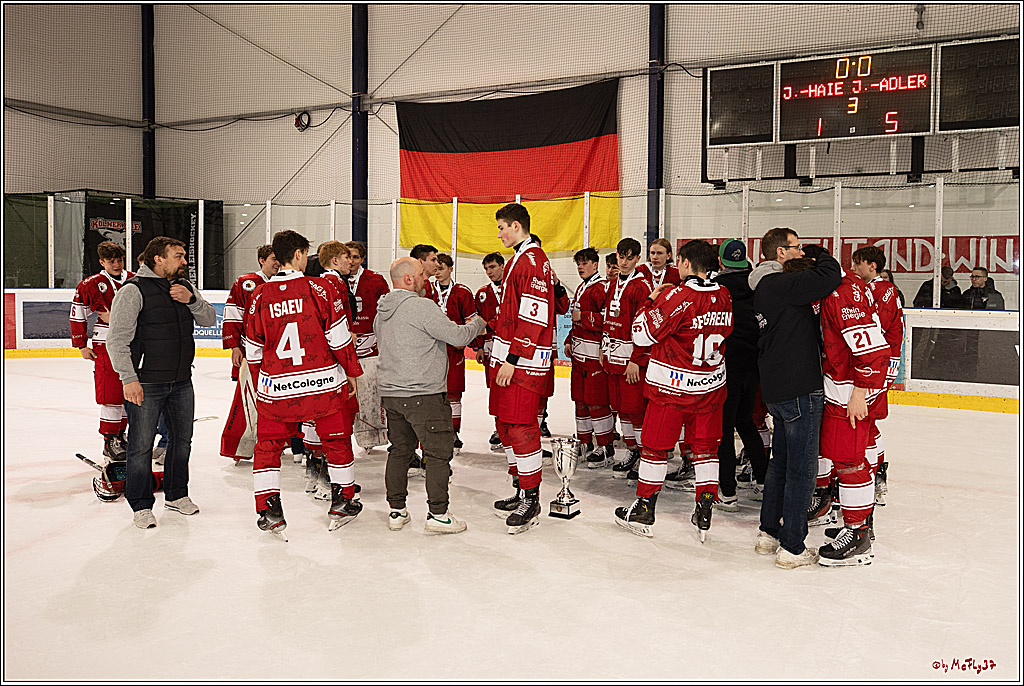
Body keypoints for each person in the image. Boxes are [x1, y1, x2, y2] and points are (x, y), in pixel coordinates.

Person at [243, 230, 364, 538]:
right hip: (322, 384)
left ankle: (269, 510)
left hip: (278, 388)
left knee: (268, 448)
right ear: (298, 255)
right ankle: (343, 501)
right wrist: (351, 371)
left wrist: (263, 383)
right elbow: (338, 337)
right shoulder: (320, 288)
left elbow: (254, 350)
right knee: (336, 441)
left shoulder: (258, 295)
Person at [615, 240, 733, 541]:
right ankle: (704, 508)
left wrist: (651, 300)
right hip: (710, 387)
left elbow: (641, 335)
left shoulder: (679, 295)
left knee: (655, 448)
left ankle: (644, 508)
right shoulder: (724, 294)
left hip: (672, 387)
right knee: (706, 450)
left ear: (683, 262)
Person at [106, 236, 216, 529]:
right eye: (178, 256)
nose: (184, 261)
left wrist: (191, 300)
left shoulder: (184, 287)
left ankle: (177, 495)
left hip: (181, 381)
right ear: (158, 259)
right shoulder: (133, 291)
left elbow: (209, 319)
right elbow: (116, 340)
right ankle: (141, 505)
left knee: (182, 442)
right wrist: (128, 378)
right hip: (146, 383)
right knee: (141, 447)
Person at [748, 228, 841, 569]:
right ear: (781, 254)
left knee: (780, 464)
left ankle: (768, 533)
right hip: (800, 389)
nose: (802, 252)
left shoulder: (763, 286)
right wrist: (819, 250)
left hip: (776, 390)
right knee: (802, 469)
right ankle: (793, 547)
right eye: (797, 247)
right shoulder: (781, 285)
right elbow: (830, 276)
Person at [374, 257, 487, 533]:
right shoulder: (421, 307)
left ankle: (397, 511)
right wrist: (480, 321)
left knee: (400, 451)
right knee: (437, 454)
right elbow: (458, 336)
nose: (427, 279)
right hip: (423, 395)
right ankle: (438, 514)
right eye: (422, 275)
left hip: (392, 394)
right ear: (409, 279)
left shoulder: (382, 311)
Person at [813, 253, 890, 566]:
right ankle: (854, 522)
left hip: (850, 391)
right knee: (845, 456)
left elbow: (873, 351)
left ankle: (857, 534)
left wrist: (859, 392)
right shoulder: (845, 287)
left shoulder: (842, 294)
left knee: (849, 462)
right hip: (844, 387)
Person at [488, 203, 556, 535]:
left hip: (523, 363)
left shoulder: (532, 261)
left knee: (521, 426)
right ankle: (521, 488)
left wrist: (513, 359)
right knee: (505, 425)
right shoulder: (520, 258)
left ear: (516, 226)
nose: (499, 233)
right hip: (511, 358)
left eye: (501, 227)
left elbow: (534, 315)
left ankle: (532, 497)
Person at [300, 240, 359, 500]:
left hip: (314, 362)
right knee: (335, 420)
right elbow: (336, 326)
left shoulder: (314, 283)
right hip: (331, 361)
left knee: (314, 416)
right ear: (335, 261)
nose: (352, 262)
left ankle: (314, 475)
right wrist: (349, 363)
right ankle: (328, 481)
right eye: (347, 258)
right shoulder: (332, 284)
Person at [711, 238, 767, 512]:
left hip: (727, 366)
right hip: (754, 365)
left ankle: (728, 491)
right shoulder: (757, 285)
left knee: (724, 428)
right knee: (746, 422)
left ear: (721, 261)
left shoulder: (718, 288)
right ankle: (763, 480)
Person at [70, 240, 134, 463]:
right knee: (111, 395)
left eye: (119, 260)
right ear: (101, 262)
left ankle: (121, 436)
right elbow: (78, 313)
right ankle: (110, 440)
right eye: (111, 261)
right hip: (104, 344)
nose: (116, 265)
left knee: (129, 393)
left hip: (132, 343)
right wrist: (81, 345)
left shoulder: (134, 279)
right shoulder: (91, 284)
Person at [851, 246, 904, 508]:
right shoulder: (882, 289)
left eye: (858, 264)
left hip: (879, 365)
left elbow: (874, 330)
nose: (854, 269)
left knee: (866, 421)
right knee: (869, 421)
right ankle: (876, 473)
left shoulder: (880, 291)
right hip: (882, 364)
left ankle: (873, 476)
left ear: (873, 266)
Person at [220, 245, 280, 462]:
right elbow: (233, 314)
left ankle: (282, 443)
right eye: (273, 259)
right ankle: (240, 447)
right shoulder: (247, 283)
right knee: (247, 399)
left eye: (279, 259)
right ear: (261, 260)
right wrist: (235, 346)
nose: (277, 263)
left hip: (278, 355)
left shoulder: (284, 283)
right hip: (251, 353)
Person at [600, 237, 653, 479]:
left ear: (638, 259)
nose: (623, 261)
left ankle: (644, 455)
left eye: (629, 257)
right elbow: (607, 321)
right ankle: (632, 450)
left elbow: (645, 326)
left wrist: (637, 359)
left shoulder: (641, 286)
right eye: (621, 256)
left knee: (635, 410)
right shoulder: (612, 284)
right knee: (621, 409)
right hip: (612, 357)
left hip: (630, 361)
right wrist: (603, 347)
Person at [566, 248, 615, 467]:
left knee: (597, 402)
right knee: (580, 400)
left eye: (584, 263)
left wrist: (583, 317)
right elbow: (575, 319)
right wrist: (568, 339)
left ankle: (605, 446)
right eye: (578, 264)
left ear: (596, 265)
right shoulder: (581, 287)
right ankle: (584, 441)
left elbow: (608, 319)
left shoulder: (602, 288)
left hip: (595, 357)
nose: (580, 267)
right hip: (578, 356)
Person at [343, 240, 391, 450]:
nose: (351, 261)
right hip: (345, 347)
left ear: (362, 259)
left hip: (371, 347)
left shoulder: (376, 280)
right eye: (348, 257)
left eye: (356, 257)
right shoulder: (335, 280)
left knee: (372, 394)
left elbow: (386, 312)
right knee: (348, 396)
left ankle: (372, 437)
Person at [433, 253, 478, 451]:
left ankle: (453, 433)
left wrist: (465, 340)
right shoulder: (427, 290)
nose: (437, 272)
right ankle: (435, 431)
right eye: (436, 268)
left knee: (453, 393)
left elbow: (471, 320)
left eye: (441, 268)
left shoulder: (462, 292)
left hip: (453, 351)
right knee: (433, 393)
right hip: (431, 350)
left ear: (451, 269)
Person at [472, 252, 505, 452]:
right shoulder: (482, 293)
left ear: (502, 266)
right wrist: (479, 347)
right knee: (494, 390)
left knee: (509, 389)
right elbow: (479, 322)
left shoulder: (514, 288)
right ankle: (498, 428)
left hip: (510, 350)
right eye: (486, 268)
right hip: (491, 349)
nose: (489, 272)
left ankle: (512, 428)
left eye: (492, 267)